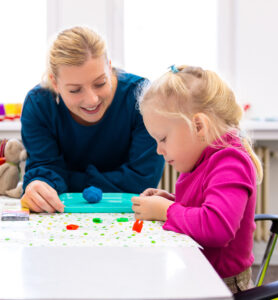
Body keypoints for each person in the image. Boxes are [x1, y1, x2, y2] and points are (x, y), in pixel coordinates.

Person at [131, 64, 263, 293]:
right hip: (199, 273)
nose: (158, 151)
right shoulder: (202, 157)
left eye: (162, 139)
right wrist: (171, 200)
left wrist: (166, 210)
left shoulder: (231, 162)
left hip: (223, 285)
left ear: (198, 126)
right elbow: (204, 203)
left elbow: (216, 226)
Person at [20, 26, 164, 213]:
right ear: (55, 83)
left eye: (100, 83)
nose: (92, 100)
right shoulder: (39, 105)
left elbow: (142, 180)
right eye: (75, 90)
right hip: (63, 216)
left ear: (109, 68)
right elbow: (44, 170)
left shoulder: (142, 97)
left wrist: (65, 180)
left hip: (130, 214)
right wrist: (38, 185)